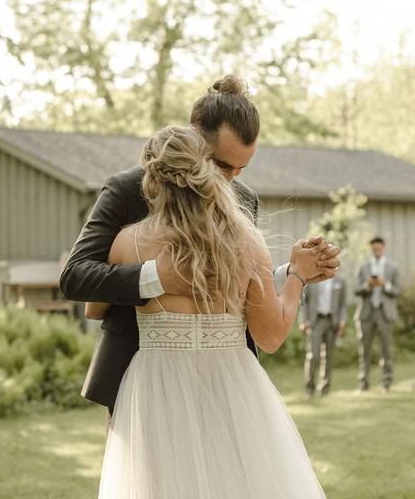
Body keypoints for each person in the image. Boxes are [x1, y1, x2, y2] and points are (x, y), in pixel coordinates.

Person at [60, 74, 341, 417]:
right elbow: (76, 276)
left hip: (224, 379)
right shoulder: (128, 188)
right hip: (143, 380)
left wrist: (291, 273)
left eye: (242, 169)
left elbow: (239, 282)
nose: (231, 179)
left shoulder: (244, 199)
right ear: (195, 141)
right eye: (222, 165)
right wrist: (157, 277)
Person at [85, 125, 328, 497]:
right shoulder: (245, 243)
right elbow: (271, 335)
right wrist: (296, 276)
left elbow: (93, 310)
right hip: (230, 380)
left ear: (151, 181)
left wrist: (149, 278)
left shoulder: (126, 243)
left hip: (155, 384)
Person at [274, 268, 348, 397]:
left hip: (333, 322)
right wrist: (303, 320)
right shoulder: (313, 280)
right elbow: (304, 301)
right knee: (313, 355)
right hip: (316, 322)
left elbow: (343, 304)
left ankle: (325, 388)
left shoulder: (340, 281)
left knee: (329, 357)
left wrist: (343, 321)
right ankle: (309, 388)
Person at [354, 236, 402, 393]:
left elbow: (398, 291)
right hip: (367, 313)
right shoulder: (364, 267)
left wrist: (385, 285)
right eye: (374, 249)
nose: (377, 251)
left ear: (384, 248)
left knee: (386, 350)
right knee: (364, 351)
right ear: (371, 249)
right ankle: (363, 384)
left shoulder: (393, 267)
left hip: (385, 313)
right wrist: (367, 285)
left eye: (379, 249)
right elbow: (356, 290)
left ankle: (386, 384)